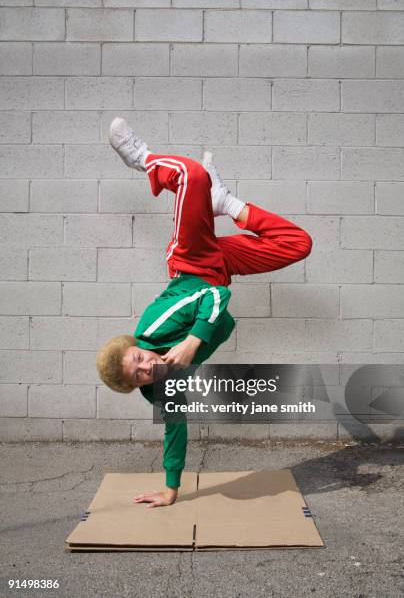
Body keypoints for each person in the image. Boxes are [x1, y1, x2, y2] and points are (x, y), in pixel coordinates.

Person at [96, 118, 313, 508]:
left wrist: (194, 341)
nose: (147, 367)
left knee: (191, 174)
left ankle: (141, 158)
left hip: (192, 262)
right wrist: (171, 488)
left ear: (138, 345)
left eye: (140, 359)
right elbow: (175, 430)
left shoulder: (153, 326)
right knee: (298, 244)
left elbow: (212, 296)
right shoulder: (158, 389)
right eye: (138, 374)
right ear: (136, 386)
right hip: (221, 267)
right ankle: (225, 203)